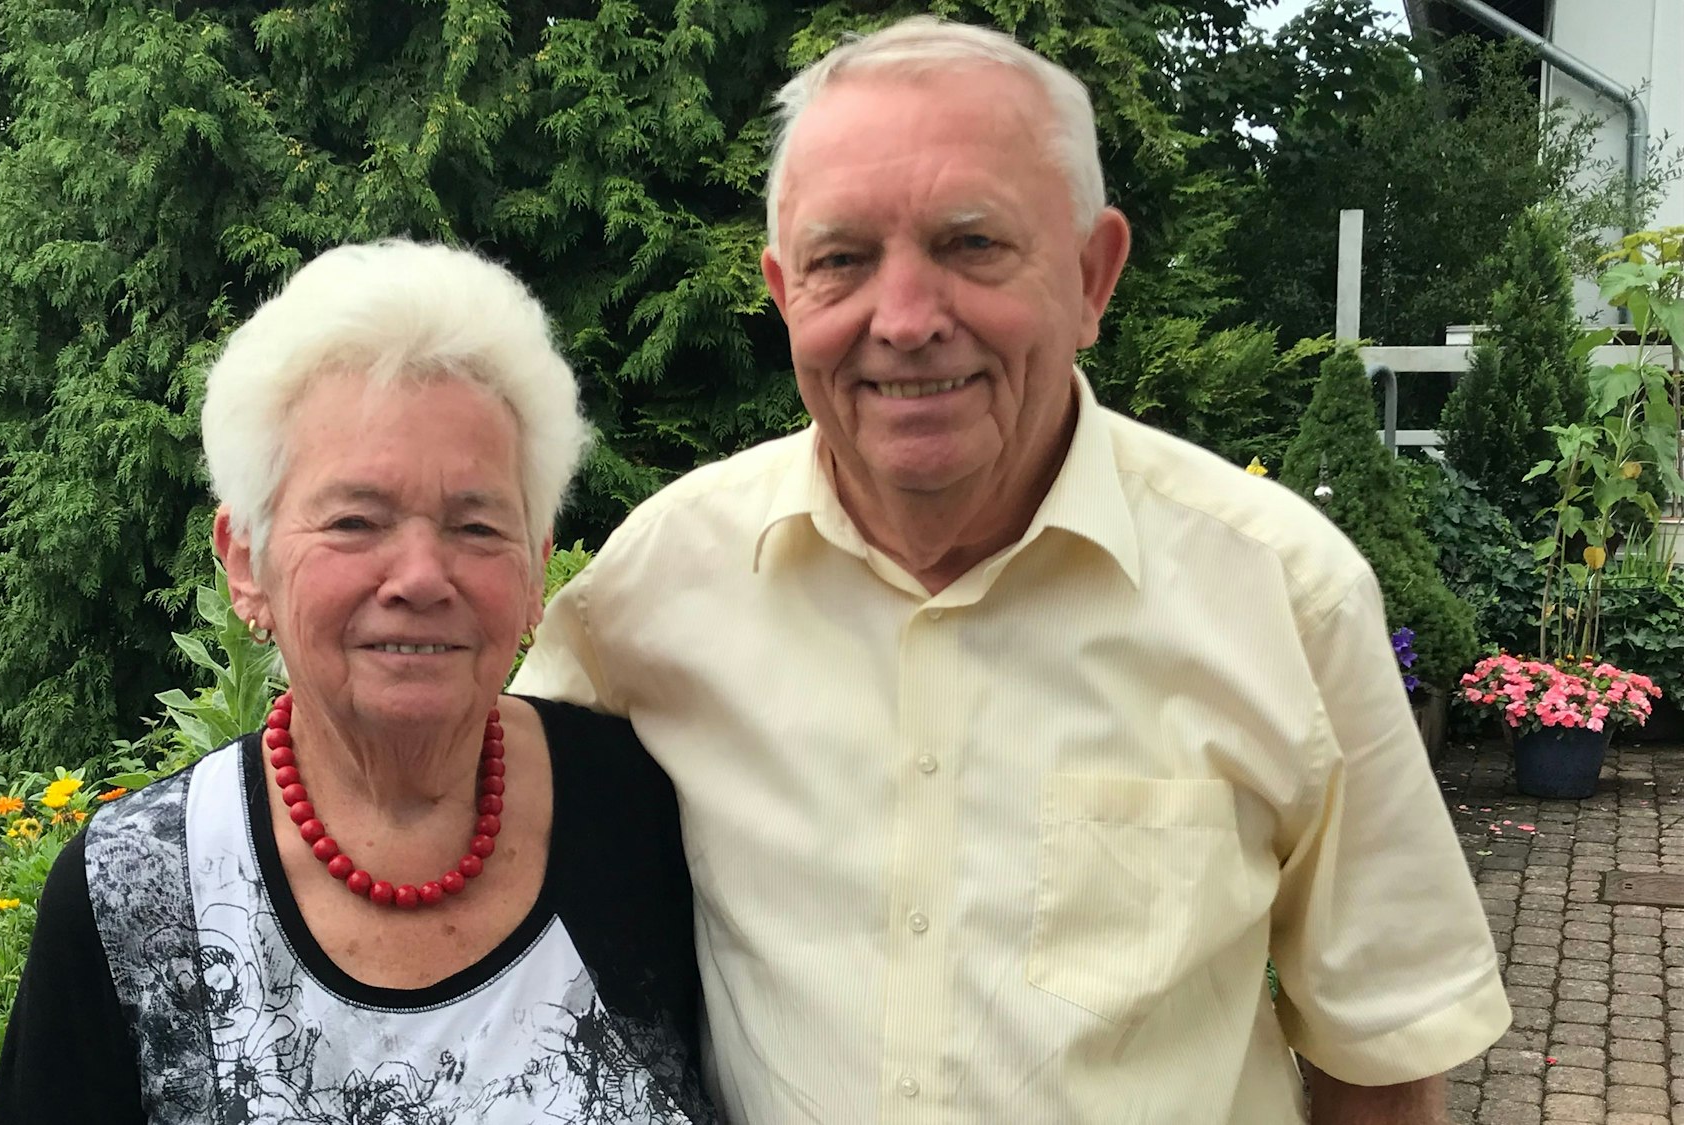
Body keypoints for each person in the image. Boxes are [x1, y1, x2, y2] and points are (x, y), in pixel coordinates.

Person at [512, 16, 1510, 1124]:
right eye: (840, 260)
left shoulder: (1282, 596)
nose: (902, 320)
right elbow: (486, 857)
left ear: (1092, 275)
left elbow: (1377, 1057)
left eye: (971, 245)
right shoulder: (660, 586)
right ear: (784, 291)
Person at [0, 240, 713, 1124]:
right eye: (355, 519)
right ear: (245, 562)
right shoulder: (133, 893)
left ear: (535, 571)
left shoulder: (646, 811)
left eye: (477, 526)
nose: (420, 575)